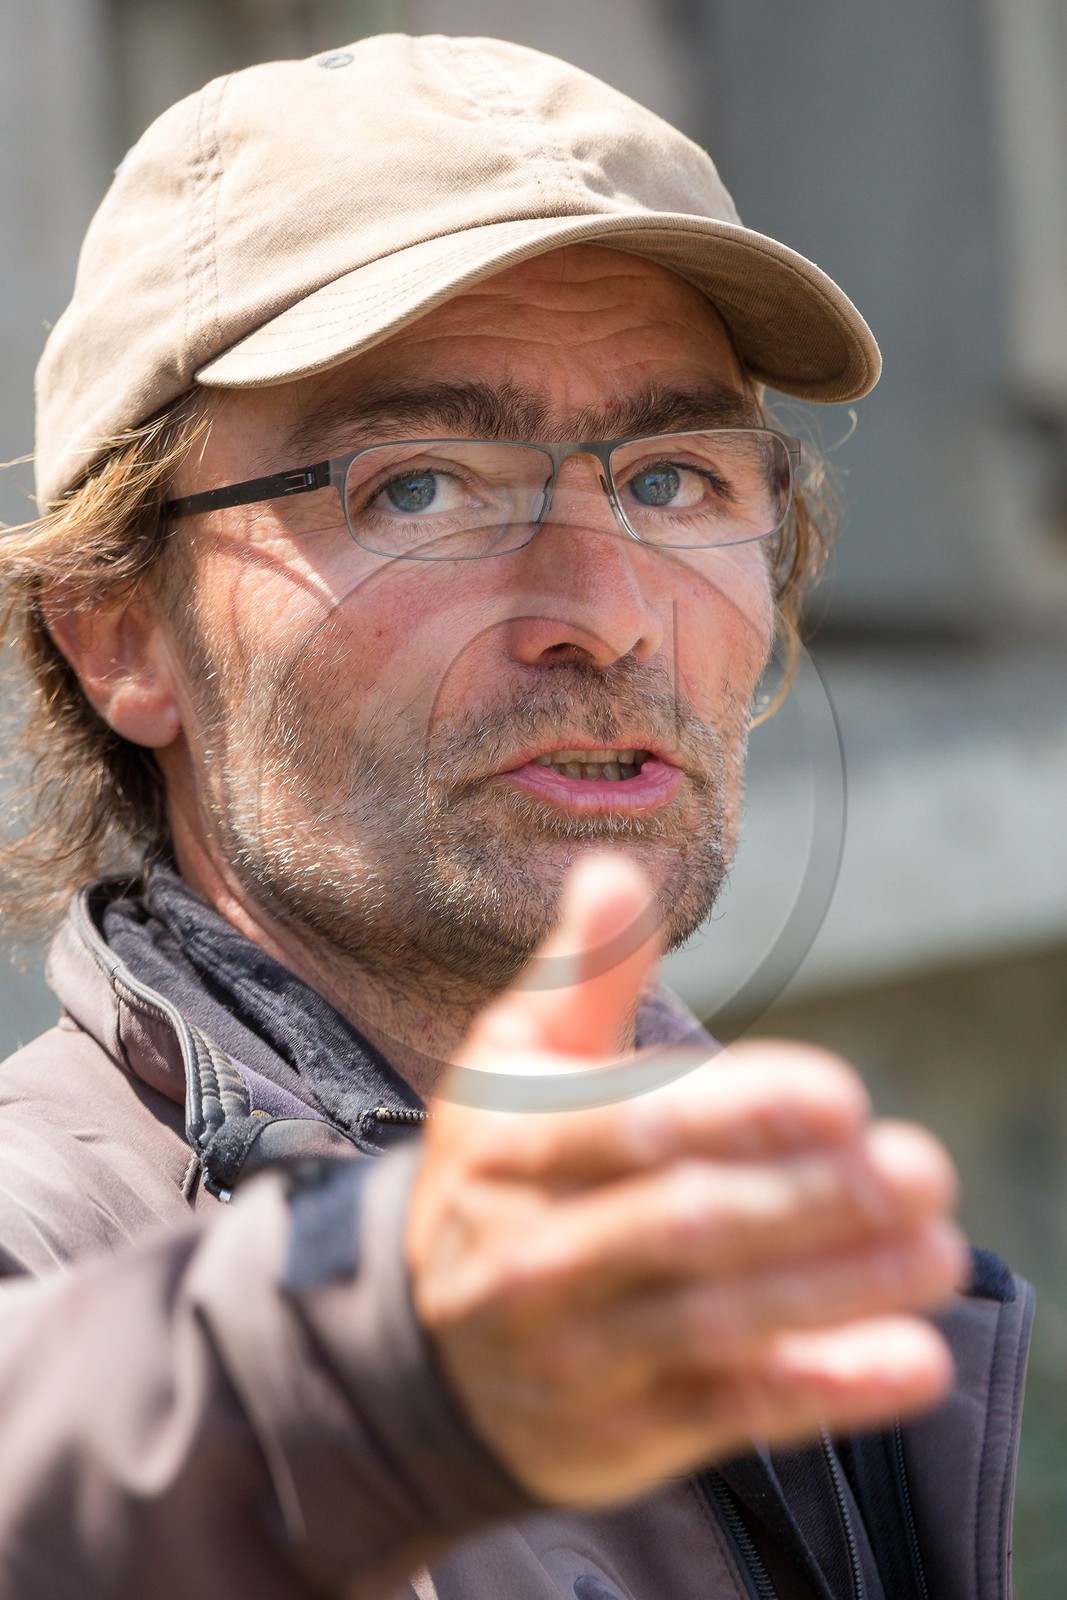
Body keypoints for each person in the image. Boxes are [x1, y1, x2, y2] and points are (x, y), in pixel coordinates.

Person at [0, 32, 1031, 1600]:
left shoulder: (762, 1243)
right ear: (118, 634)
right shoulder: (53, 1235)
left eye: (678, 479)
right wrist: (372, 1365)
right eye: (418, 487)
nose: (607, 615)